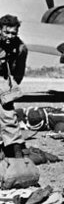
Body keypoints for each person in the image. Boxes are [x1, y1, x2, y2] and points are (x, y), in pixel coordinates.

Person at [0, 14, 27, 158]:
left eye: (13, 33)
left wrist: (11, 88)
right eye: (6, 32)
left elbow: (19, 71)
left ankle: (17, 153)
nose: (10, 36)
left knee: (9, 115)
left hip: (4, 80)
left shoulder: (21, 47)